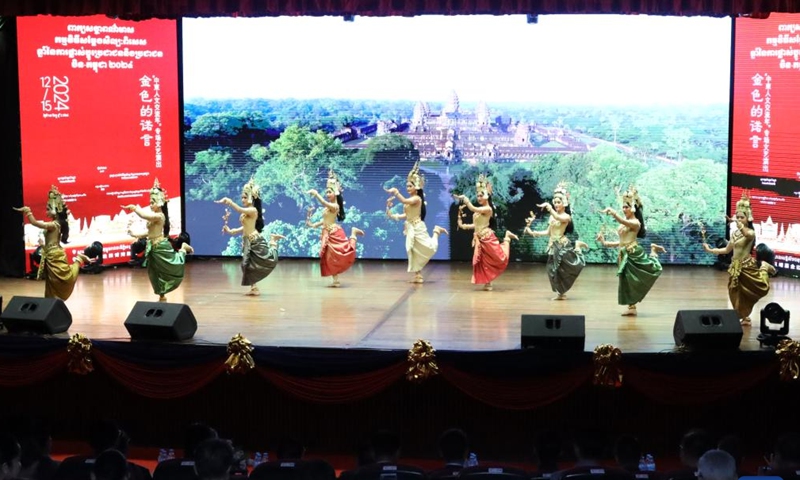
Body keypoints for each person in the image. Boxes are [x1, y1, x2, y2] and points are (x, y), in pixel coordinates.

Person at [702, 191, 775, 326]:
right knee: (734, 291)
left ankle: (764, 267)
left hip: (747, 266)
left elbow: (746, 233)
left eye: (742, 217)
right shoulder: (735, 234)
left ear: (748, 218)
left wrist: (736, 222)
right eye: (738, 217)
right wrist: (710, 250)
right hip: (735, 266)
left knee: (757, 289)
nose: (739, 220)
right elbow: (726, 249)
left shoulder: (750, 233)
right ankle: (743, 315)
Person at [596, 185, 665, 316]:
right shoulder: (624, 223)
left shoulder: (635, 223)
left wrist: (613, 212)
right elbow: (621, 242)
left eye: (626, 206)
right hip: (623, 253)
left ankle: (654, 252)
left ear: (633, 208)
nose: (624, 209)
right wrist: (604, 242)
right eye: (623, 207)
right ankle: (631, 307)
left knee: (642, 276)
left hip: (633, 253)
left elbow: (622, 221)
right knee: (626, 280)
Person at [123, 178, 193, 302]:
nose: (151, 205)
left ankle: (183, 249)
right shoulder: (154, 218)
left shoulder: (159, 216)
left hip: (160, 247)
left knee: (173, 266)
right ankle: (162, 295)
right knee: (154, 273)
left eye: (153, 202)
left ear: (160, 202)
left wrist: (135, 208)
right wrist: (135, 234)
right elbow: (149, 233)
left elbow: (145, 216)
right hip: (152, 248)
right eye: (150, 202)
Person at [14, 185, 90, 300]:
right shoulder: (56, 224)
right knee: (51, 284)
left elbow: (35, 223)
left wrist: (28, 211)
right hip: (50, 254)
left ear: (55, 211)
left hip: (54, 256)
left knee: (65, 279)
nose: (46, 212)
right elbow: (50, 242)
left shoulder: (53, 225)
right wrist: (42, 245)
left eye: (48, 209)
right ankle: (50, 304)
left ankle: (79, 259)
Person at [216, 177, 283, 296]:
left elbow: (238, 209)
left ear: (251, 197)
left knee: (268, 260)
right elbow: (245, 227)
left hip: (255, 241)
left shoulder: (253, 211)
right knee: (247, 265)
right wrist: (231, 231)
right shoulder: (246, 212)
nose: (243, 199)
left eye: (245, 197)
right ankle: (254, 287)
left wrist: (229, 201)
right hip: (247, 241)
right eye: (242, 197)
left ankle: (273, 242)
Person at [385, 161, 448, 284]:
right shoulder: (411, 199)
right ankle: (418, 275)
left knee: (430, 248)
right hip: (410, 227)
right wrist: (393, 215)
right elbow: (407, 215)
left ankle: (436, 231)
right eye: (407, 186)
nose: (408, 188)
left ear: (416, 187)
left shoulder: (416, 199)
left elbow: (404, 201)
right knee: (411, 249)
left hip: (418, 227)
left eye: (410, 186)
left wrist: (396, 192)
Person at [453, 174, 517, 291]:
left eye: (481, 195)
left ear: (486, 196)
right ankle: (488, 282)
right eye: (477, 195)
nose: (479, 197)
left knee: (499, 258)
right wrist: (463, 224)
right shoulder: (480, 210)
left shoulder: (488, 209)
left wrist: (466, 200)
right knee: (483, 262)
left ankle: (507, 238)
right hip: (480, 238)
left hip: (487, 237)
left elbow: (473, 208)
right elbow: (476, 225)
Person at [524, 182, 588, 300]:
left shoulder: (566, 217)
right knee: (552, 269)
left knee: (566, 269)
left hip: (562, 245)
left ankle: (577, 248)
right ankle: (560, 292)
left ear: (564, 203)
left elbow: (559, 218)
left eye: (558, 202)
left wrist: (549, 208)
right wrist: (534, 233)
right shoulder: (552, 216)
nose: (556, 204)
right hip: (553, 246)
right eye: (555, 202)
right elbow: (548, 232)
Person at [305, 170, 364, 287]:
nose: (327, 194)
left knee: (340, 255)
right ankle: (335, 280)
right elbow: (325, 220)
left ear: (335, 193)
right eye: (326, 192)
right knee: (329, 258)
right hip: (327, 232)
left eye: (329, 192)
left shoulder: (335, 206)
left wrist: (316, 194)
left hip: (334, 233)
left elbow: (323, 203)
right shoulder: (328, 208)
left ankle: (353, 234)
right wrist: (313, 224)